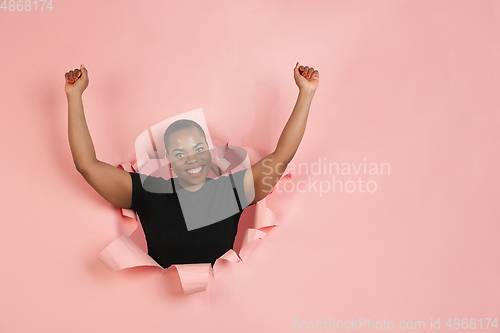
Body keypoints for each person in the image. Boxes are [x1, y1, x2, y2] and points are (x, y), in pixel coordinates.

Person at [65, 62, 319, 268]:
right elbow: (87, 165)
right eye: (180, 153)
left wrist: (306, 93)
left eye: (199, 149)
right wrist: (74, 96)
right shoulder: (148, 193)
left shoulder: (230, 192)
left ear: (209, 154)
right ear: (171, 162)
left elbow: (280, 158)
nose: (192, 158)